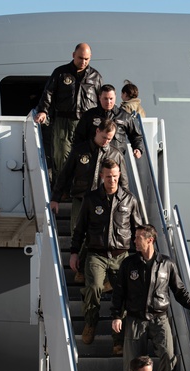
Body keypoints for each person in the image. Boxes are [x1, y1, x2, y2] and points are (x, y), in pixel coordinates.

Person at [110, 225, 190, 371]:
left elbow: (179, 290)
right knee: (132, 363)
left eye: (138, 237)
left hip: (159, 318)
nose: (134, 240)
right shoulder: (129, 263)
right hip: (135, 319)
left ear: (150, 240)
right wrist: (116, 316)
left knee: (168, 356)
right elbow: (119, 292)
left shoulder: (166, 264)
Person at [69, 159, 143, 353]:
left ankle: (118, 340)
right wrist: (74, 253)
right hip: (96, 254)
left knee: (123, 297)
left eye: (115, 177)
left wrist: (144, 256)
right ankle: (90, 323)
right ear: (101, 176)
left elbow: (139, 230)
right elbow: (80, 229)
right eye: (108, 176)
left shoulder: (129, 199)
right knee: (93, 288)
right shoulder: (91, 199)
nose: (112, 180)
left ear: (119, 176)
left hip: (121, 256)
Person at [34, 43, 102, 180]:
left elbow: (101, 98)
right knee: (62, 154)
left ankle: (81, 188)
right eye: (80, 58)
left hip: (85, 121)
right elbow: (48, 93)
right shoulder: (60, 73)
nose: (83, 62)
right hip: (63, 121)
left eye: (86, 59)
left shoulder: (95, 76)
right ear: (73, 55)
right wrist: (43, 111)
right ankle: (62, 189)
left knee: (85, 155)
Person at [51, 119, 128, 231]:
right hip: (81, 198)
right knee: (77, 232)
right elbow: (65, 175)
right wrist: (55, 199)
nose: (106, 141)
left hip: (105, 200)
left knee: (100, 235)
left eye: (109, 139)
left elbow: (123, 182)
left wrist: (124, 203)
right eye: (104, 137)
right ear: (97, 131)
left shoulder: (116, 154)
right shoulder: (80, 150)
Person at [72, 84, 145, 159]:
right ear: (99, 97)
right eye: (105, 99)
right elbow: (78, 137)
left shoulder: (124, 116)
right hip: (93, 158)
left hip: (115, 159)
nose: (108, 102)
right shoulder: (89, 115)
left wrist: (138, 148)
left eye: (111, 98)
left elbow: (136, 136)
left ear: (115, 97)